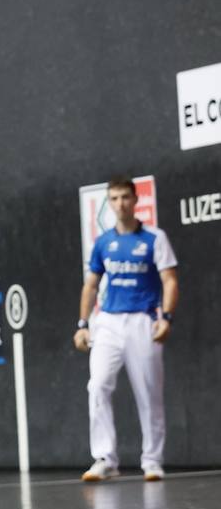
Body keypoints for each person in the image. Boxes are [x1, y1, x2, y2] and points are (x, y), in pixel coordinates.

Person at [74, 176, 179, 482]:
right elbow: (91, 285)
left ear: (135, 200)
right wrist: (83, 324)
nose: (120, 204)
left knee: (149, 393)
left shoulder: (154, 239)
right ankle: (105, 458)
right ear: (109, 203)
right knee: (97, 385)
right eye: (115, 199)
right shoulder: (103, 242)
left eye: (125, 197)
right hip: (107, 322)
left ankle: (152, 460)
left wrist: (167, 318)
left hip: (143, 321)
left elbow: (170, 280)